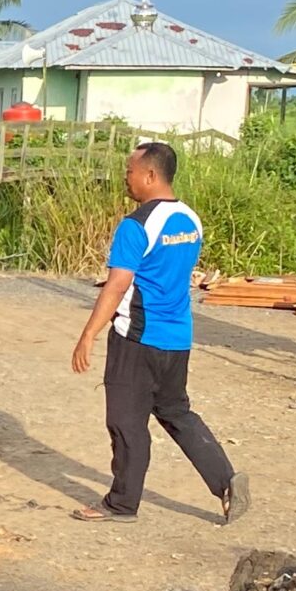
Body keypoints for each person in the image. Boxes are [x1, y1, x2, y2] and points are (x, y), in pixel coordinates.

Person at [70, 141, 248, 525]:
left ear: (150, 175)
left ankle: (121, 504)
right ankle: (227, 480)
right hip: (177, 337)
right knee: (176, 412)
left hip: (137, 337)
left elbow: (117, 285)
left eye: (130, 171)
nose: (126, 178)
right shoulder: (190, 220)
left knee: (126, 422)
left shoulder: (135, 225)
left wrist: (88, 334)